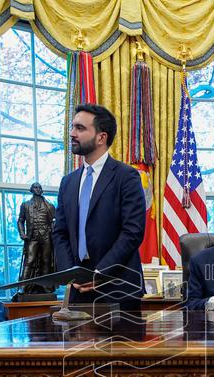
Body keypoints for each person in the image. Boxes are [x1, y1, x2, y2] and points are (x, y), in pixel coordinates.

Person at [52, 103, 145, 309]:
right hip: (78, 292)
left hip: (119, 290)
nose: (72, 133)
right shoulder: (68, 182)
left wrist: (99, 273)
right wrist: (71, 274)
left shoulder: (126, 176)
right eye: (72, 127)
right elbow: (60, 233)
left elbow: (133, 232)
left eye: (80, 128)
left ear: (101, 138)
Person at [16, 182, 56, 294]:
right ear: (31, 189)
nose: (38, 189)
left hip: (46, 237)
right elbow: (20, 220)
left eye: (39, 187)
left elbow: (54, 222)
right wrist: (22, 233)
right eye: (35, 187)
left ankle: (45, 286)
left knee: (46, 261)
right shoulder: (25, 205)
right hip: (32, 237)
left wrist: (53, 235)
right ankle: (23, 286)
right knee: (29, 261)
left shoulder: (50, 206)